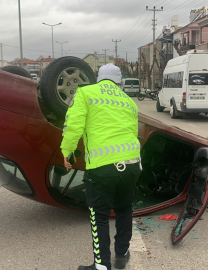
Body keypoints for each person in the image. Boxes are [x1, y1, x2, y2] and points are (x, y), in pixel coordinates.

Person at [60, 63, 141, 270]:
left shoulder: (85, 93)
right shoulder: (128, 101)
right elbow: (133, 130)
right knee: (124, 210)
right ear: (119, 81)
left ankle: (102, 265)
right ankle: (121, 256)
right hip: (132, 164)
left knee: (99, 216)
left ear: (99, 78)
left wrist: (66, 151)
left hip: (103, 167)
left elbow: (73, 124)